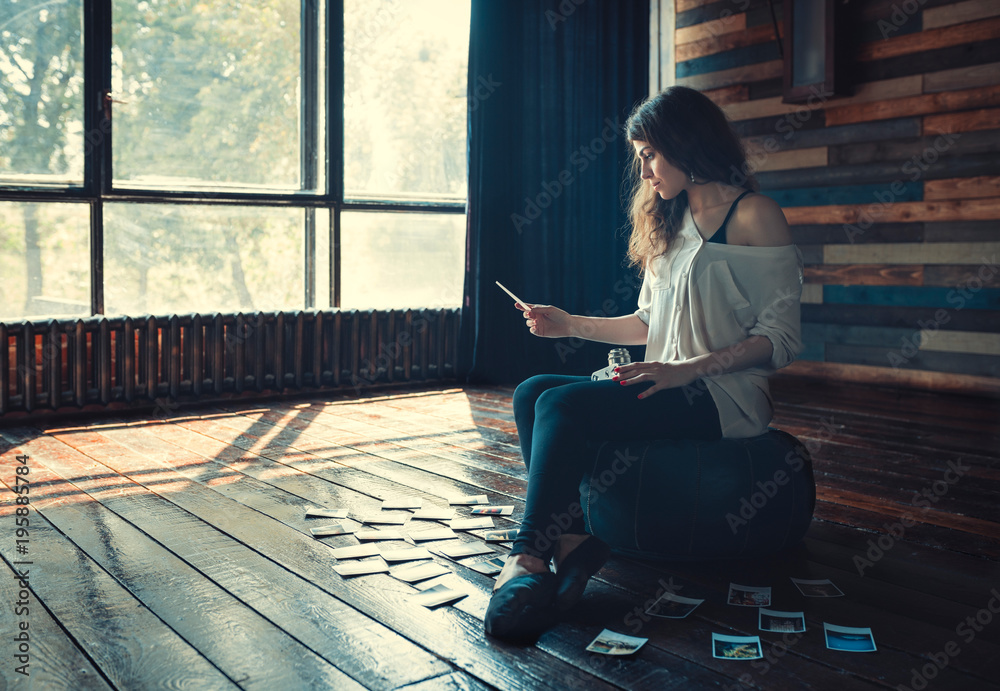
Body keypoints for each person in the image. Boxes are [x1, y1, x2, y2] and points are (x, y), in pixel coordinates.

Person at [483, 86, 804, 642]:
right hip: (666, 382)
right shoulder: (672, 225)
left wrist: (686, 369)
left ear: (686, 144)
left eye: (649, 154)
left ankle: (529, 558)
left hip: (725, 396)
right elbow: (647, 325)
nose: (645, 171)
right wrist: (569, 324)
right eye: (641, 157)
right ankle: (572, 541)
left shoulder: (754, 216)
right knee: (533, 390)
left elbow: (780, 340)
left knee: (563, 403)